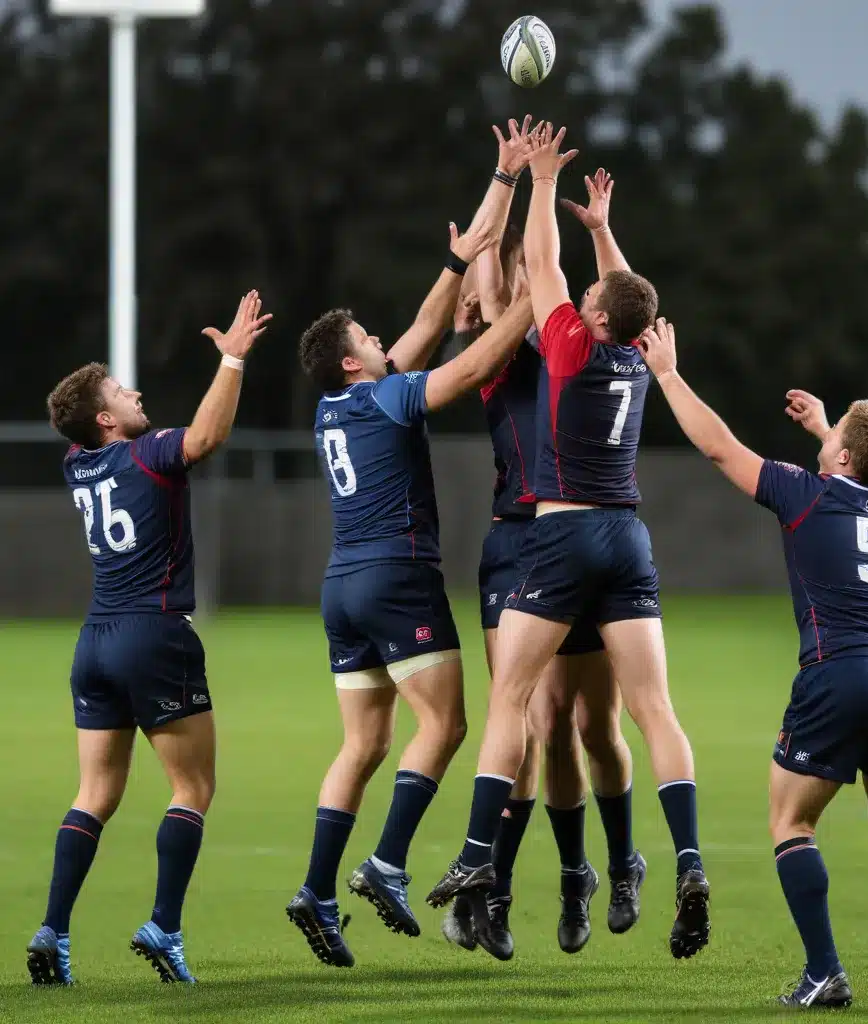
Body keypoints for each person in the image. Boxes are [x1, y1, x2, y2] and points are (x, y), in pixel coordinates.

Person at [636, 316, 868, 1012]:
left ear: (837, 459)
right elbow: (857, 469)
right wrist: (830, 428)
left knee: (791, 823)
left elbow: (719, 448)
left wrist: (666, 373)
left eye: (831, 441)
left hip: (840, 672)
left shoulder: (804, 494)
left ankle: (824, 973)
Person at [427, 124, 711, 963]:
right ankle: (687, 861)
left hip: (559, 536)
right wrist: (603, 231)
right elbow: (622, 292)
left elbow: (545, 270)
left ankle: (480, 855)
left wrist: (541, 183)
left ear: (589, 314)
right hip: (628, 534)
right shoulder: (635, 352)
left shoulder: (566, 344)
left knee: (514, 704)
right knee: (652, 708)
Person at [286, 118, 539, 969]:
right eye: (365, 338)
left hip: (342, 588)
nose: (376, 339)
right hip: (398, 577)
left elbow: (428, 330)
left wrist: (484, 215)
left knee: (362, 745)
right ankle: (387, 864)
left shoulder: (338, 405)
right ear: (355, 363)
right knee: (449, 724)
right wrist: (535, 299)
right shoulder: (386, 400)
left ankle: (315, 891)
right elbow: (464, 370)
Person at [28, 291, 271, 986]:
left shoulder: (77, 465)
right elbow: (205, 438)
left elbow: (74, 424)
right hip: (154, 634)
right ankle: (164, 926)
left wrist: (86, 402)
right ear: (105, 420)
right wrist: (231, 359)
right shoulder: (146, 458)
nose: (134, 393)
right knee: (192, 787)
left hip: (94, 642)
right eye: (119, 392)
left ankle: (54, 929)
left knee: (94, 793)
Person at [442, 190, 643, 961]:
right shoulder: (503, 355)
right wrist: (503, 196)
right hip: (517, 545)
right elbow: (504, 292)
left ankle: (589, 875)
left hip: (582, 534)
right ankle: (495, 891)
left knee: (585, 725)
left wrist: (542, 206)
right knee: (521, 722)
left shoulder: (582, 354)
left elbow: (603, 300)